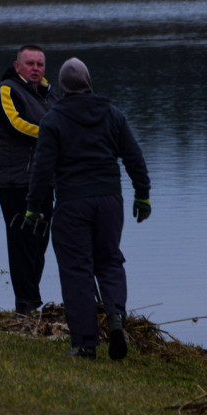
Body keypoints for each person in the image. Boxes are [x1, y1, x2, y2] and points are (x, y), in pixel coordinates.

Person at [24, 57, 151, 360]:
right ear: (89, 83)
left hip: (72, 203)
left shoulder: (53, 120)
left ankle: (85, 344)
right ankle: (116, 318)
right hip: (110, 200)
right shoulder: (112, 114)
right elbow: (134, 156)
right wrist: (142, 194)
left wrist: (32, 206)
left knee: (76, 270)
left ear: (64, 87)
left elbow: (42, 169)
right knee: (109, 262)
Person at [0, 45, 58, 315]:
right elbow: (14, 124)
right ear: (17, 66)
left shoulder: (49, 95)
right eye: (29, 63)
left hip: (45, 181)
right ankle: (25, 306)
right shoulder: (5, 90)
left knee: (40, 242)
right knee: (21, 242)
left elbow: (66, 123)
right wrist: (51, 133)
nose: (35, 68)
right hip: (15, 181)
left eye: (40, 64)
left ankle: (31, 303)